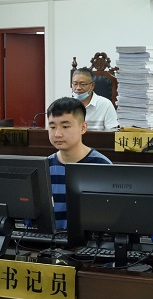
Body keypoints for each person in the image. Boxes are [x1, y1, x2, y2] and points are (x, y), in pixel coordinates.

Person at [46, 97, 112, 230]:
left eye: (65, 126)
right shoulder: (46, 166)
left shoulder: (102, 166)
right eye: (52, 127)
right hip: (50, 239)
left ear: (83, 128)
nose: (57, 134)